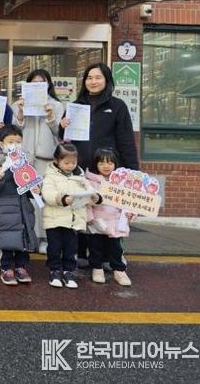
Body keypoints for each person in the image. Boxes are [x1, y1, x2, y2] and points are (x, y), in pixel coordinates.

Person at [59, 62, 138, 267]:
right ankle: (81, 254)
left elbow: (126, 141)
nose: (93, 81)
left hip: (106, 172)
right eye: (89, 78)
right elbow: (64, 139)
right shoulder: (75, 106)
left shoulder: (117, 106)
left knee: (107, 214)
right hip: (79, 170)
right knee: (82, 212)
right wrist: (62, 126)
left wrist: (133, 173)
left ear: (107, 80)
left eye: (98, 77)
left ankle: (109, 257)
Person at [13, 69, 64, 253]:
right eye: (33, 83)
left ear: (48, 85)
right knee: (25, 200)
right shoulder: (18, 104)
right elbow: (13, 132)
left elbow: (60, 134)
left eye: (41, 83)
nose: (37, 86)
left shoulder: (56, 105)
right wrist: (20, 113)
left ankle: (43, 238)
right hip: (24, 160)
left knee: (43, 200)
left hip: (45, 159)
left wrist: (50, 117)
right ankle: (26, 237)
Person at [0, 125, 39, 286]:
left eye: (18, 141)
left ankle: (21, 267)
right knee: (6, 241)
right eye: (10, 141)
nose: (15, 145)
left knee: (23, 240)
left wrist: (36, 190)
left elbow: (30, 186)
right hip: (4, 210)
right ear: (2, 144)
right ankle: (6, 268)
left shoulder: (25, 163)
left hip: (22, 208)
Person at [41, 143, 99, 289]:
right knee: (54, 248)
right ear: (56, 160)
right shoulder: (50, 176)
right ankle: (54, 271)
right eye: (66, 163)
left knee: (71, 248)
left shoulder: (80, 177)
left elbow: (91, 192)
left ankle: (69, 271)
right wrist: (62, 199)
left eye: (73, 162)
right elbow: (47, 193)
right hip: (54, 220)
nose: (70, 166)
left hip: (73, 220)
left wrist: (95, 197)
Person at [85, 148, 133, 286]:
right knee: (96, 247)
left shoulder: (123, 181)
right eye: (102, 163)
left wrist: (131, 213)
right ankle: (97, 268)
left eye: (110, 163)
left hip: (116, 221)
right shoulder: (89, 181)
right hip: (97, 221)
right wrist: (90, 219)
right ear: (95, 164)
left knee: (116, 248)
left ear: (116, 164)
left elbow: (129, 201)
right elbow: (86, 203)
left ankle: (119, 270)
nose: (106, 166)